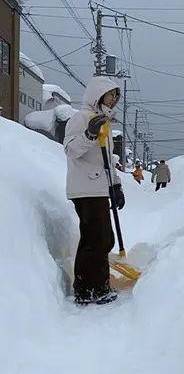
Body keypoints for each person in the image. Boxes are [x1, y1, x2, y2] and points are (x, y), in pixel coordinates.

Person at [64, 76, 125, 306]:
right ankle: (88, 289)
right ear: (99, 95)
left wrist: (116, 185)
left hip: (99, 187)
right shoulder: (81, 118)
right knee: (95, 239)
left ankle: (96, 285)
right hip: (85, 188)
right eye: (111, 95)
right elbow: (70, 149)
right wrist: (89, 134)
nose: (114, 100)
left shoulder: (103, 122)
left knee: (103, 238)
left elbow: (107, 160)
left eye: (116, 97)